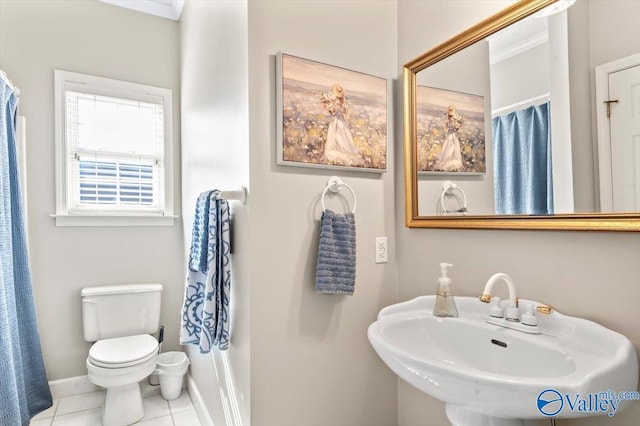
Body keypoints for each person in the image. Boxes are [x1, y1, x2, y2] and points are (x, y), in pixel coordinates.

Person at [320, 84, 362, 166]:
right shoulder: (343, 101)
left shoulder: (335, 101)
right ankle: (345, 151)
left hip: (336, 120)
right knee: (344, 136)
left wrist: (328, 107)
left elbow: (333, 112)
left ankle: (337, 153)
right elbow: (345, 112)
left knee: (336, 136)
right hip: (342, 120)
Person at [433, 105, 463, 171]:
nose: (451, 117)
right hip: (450, 135)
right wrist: (455, 127)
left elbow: (454, 128)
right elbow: (447, 128)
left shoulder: (454, 121)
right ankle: (447, 161)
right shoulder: (449, 121)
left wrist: (457, 126)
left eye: (451, 116)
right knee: (449, 148)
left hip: (452, 135)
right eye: (450, 116)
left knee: (453, 148)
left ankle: (451, 161)